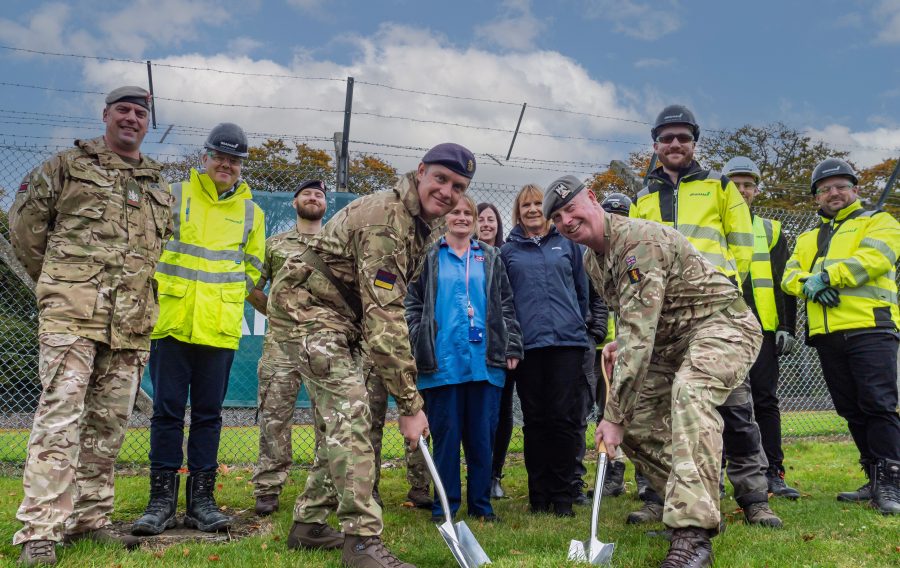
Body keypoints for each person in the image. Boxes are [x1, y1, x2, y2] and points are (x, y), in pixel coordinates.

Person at [266, 143, 476, 568]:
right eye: (441, 179)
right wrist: (411, 403)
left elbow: (382, 307)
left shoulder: (420, 223)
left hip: (340, 318)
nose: (448, 192)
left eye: (459, 186)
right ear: (420, 172)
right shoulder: (389, 219)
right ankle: (361, 542)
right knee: (354, 412)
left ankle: (308, 523)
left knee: (344, 419)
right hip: (307, 312)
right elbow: (385, 318)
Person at [545, 175, 762, 568]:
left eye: (570, 208)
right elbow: (637, 319)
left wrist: (613, 412)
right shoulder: (592, 259)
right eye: (557, 218)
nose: (566, 221)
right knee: (638, 423)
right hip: (671, 342)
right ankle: (694, 506)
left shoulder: (637, 241)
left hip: (722, 325)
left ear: (591, 199)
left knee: (690, 392)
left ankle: (693, 537)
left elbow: (639, 337)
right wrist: (620, 346)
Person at [9, 86, 173, 565]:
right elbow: (25, 229)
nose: (131, 118)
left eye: (140, 113)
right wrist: (61, 284)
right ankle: (39, 529)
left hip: (131, 322)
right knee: (59, 420)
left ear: (147, 124)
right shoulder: (66, 167)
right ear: (105, 115)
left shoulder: (156, 185)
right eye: (122, 109)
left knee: (108, 425)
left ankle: (89, 518)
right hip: (72, 315)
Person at [630, 105, 781, 529]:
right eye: (667, 138)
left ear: (694, 143)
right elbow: (636, 257)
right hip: (663, 319)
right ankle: (657, 496)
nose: (675, 144)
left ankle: (754, 497)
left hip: (713, 314)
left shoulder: (720, 187)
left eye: (683, 137)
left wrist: (721, 287)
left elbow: (743, 244)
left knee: (734, 407)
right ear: (656, 145)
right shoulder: (642, 198)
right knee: (658, 410)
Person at [131, 123, 266, 536]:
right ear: (204, 157)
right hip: (171, 323)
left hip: (219, 329)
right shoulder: (174, 195)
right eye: (220, 156)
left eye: (235, 160)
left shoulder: (251, 213)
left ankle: (202, 502)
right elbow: (147, 248)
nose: (226, 164)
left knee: (209, 416)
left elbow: (253, 269)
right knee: (166, 413)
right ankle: (161, 502)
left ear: (241, 166)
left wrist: (223, 300)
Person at [782, 158, 900, 515]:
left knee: (878, 404)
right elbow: (790, 276)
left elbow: (877, 259)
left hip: (870, 327)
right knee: (850, 408)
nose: (834, 193)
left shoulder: (878, 221)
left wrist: (829, 277)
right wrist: (809, 285)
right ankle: (873, 477)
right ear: (816, 196)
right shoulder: (806, 238)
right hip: (828, 335)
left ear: (855, 190)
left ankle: (892, 482)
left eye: (841, 186)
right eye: (825, 188)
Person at [405, 194, 523, 523]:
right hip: (442, 364)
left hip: (484, 363)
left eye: (467, 213)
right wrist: (418, 335)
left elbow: (506, 302)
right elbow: (412, 302)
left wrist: (511, 344)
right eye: (454, 212)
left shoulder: (490, 256)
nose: (461, 217)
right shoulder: (428, 256)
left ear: (474, 218)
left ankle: (482, 507)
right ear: (444, 217)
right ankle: (446, 507)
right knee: (446, 439)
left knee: (481, 439)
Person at [501, 183, 591, 517]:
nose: (533, 209)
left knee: (564, 419)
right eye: (526, 205)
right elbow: (505, 300)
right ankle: (539, 495)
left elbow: (583, 291)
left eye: (538, 203)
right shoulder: (508, 252)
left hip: (567, 344)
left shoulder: (568, 245)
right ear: (518, 211)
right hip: (529, 347)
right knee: (536, 422)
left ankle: (564, 495)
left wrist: (582, 324)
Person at [722, 156, 800, 499]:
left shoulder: (770, 229)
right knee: (721, 401)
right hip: (722, 326)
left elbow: (784, 280)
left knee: (765, 400)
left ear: (755, 190)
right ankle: (720, 473)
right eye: (736, 184)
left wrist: (786, 325)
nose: (742, 190)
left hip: (763, 329)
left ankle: (773, 472)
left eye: (748, 185)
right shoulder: (715, 224)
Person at [250, 179, 328, 517]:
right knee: (274, 419)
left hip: (325, 345)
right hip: (280, 345)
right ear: (294, 202)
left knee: (328, 419)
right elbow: (252, 286)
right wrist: (277, 313)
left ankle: (327, 485)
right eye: (307, 193)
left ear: (326, 205)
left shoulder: (334, 245)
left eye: (319, 194)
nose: (314, 198)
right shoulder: (274, 244)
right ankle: (268, 487)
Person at [476, 202, 513, 499]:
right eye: (481, 219)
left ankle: (494, 475)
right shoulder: (462, 255)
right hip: (472, 348)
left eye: (491, 219)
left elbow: (510, 302)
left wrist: (512, 341)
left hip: (503, 347)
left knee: (501, 413)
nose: (486, 224)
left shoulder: (506, 254)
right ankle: (475, 474)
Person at [597, 192, 632, 499]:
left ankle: (649, 483)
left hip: (632, 348)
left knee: (637, 412)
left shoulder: (633, 253)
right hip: (601, 350)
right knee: (605, 411)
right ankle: (613, 467)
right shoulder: (593, 256)